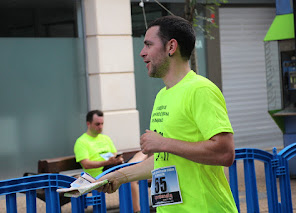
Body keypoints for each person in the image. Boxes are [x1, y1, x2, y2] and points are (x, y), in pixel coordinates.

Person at [97, 16, 238, 212]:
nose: (142, 53)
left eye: (148, 45)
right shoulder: (162, 96)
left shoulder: (201, 89)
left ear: (171, 47)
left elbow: (225, 152)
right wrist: (120, 176)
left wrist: (163, 143)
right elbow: (166, 161)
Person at [74, 110, 124, 178]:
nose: (100, 127)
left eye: (102, 124)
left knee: (131, 167)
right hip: (97, 177)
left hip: (111, 171)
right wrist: (107, 163)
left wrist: (116, 160)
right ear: (88, 124)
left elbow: (114, 154)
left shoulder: (106, 138)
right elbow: (86, 164)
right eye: (97, 124)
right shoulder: (81, 141)